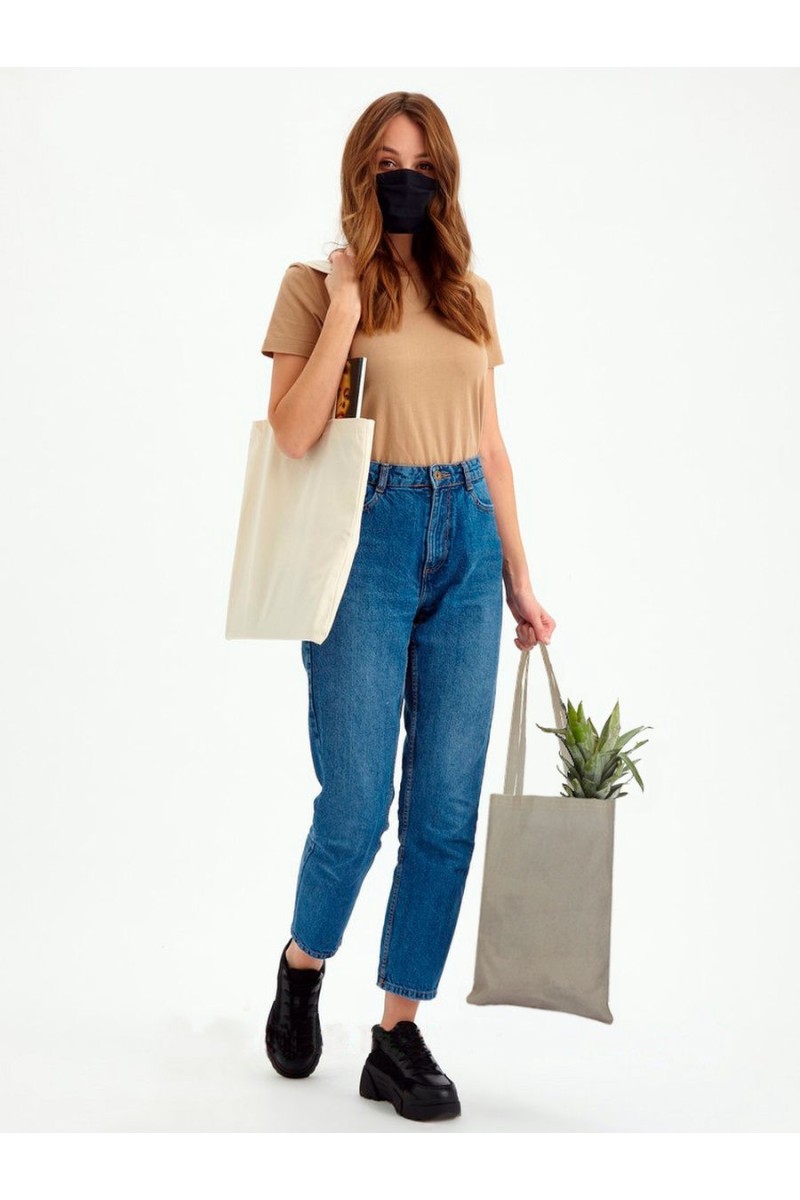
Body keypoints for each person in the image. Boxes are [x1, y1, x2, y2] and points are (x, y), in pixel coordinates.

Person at [260, 91, 556, 1122]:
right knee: (354, 808)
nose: (406, 178)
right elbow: (291, 433)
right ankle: (304, 963)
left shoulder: (468, 292)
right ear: (360, 171)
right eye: (387, 162)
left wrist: (518, 574)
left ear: (445, 176)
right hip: (365, 545)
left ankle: (396, 1032)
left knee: (443, 812)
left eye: (422, 163)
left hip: (465, 541)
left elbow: (491, 444)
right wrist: (347, 312)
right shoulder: (312, 287)